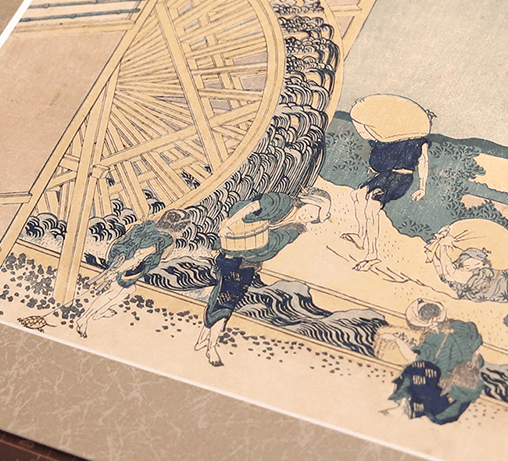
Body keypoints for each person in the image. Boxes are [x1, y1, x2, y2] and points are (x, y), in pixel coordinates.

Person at [194, 189, 330, 366]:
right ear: (306, 202)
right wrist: (230, 224)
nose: (306, 216)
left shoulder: (295, 230)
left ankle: (203, 338)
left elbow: (270, 246)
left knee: (225, 299)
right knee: (225, 300)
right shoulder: (283, 202)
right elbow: (252, 206)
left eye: (312, 218)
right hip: (231, 253)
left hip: (248, 263)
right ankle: (211, 346)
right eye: (309, 211)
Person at [341, 95, 431, 271]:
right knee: (357, 195)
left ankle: (372, 255)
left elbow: (423, 162)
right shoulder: (391, 137)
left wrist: (422, 188)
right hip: (387, 175)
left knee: (371, 208)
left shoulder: (420, 142)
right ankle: (361, 237)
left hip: (400, 179)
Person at [75, 208, 192, 337]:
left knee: (129, 290)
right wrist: (117, 271)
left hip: (119, 258)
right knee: (113, 292)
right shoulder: (163, 240)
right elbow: (139, 256)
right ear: (179, 228)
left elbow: (121, 239)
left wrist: (112, 263)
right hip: (128, 267)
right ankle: (84, 318)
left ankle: (100, 312)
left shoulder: (148, 225)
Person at [378, 299, 485, 425]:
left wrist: (397, 340)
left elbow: (415, 358)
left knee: (415, 370)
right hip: (462, 398)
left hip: (443, 406)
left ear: (430, 321)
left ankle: (402, 409)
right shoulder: (459, 328)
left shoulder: (436, 337)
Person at [424, 219, 508, 303]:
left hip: (495, 310)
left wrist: (443, 247)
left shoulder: (485, 274)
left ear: (481, 262)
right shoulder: (461, 267)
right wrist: (435, 249)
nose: (465, 260)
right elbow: (442, 271)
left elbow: (451, 274)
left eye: (470, 257)